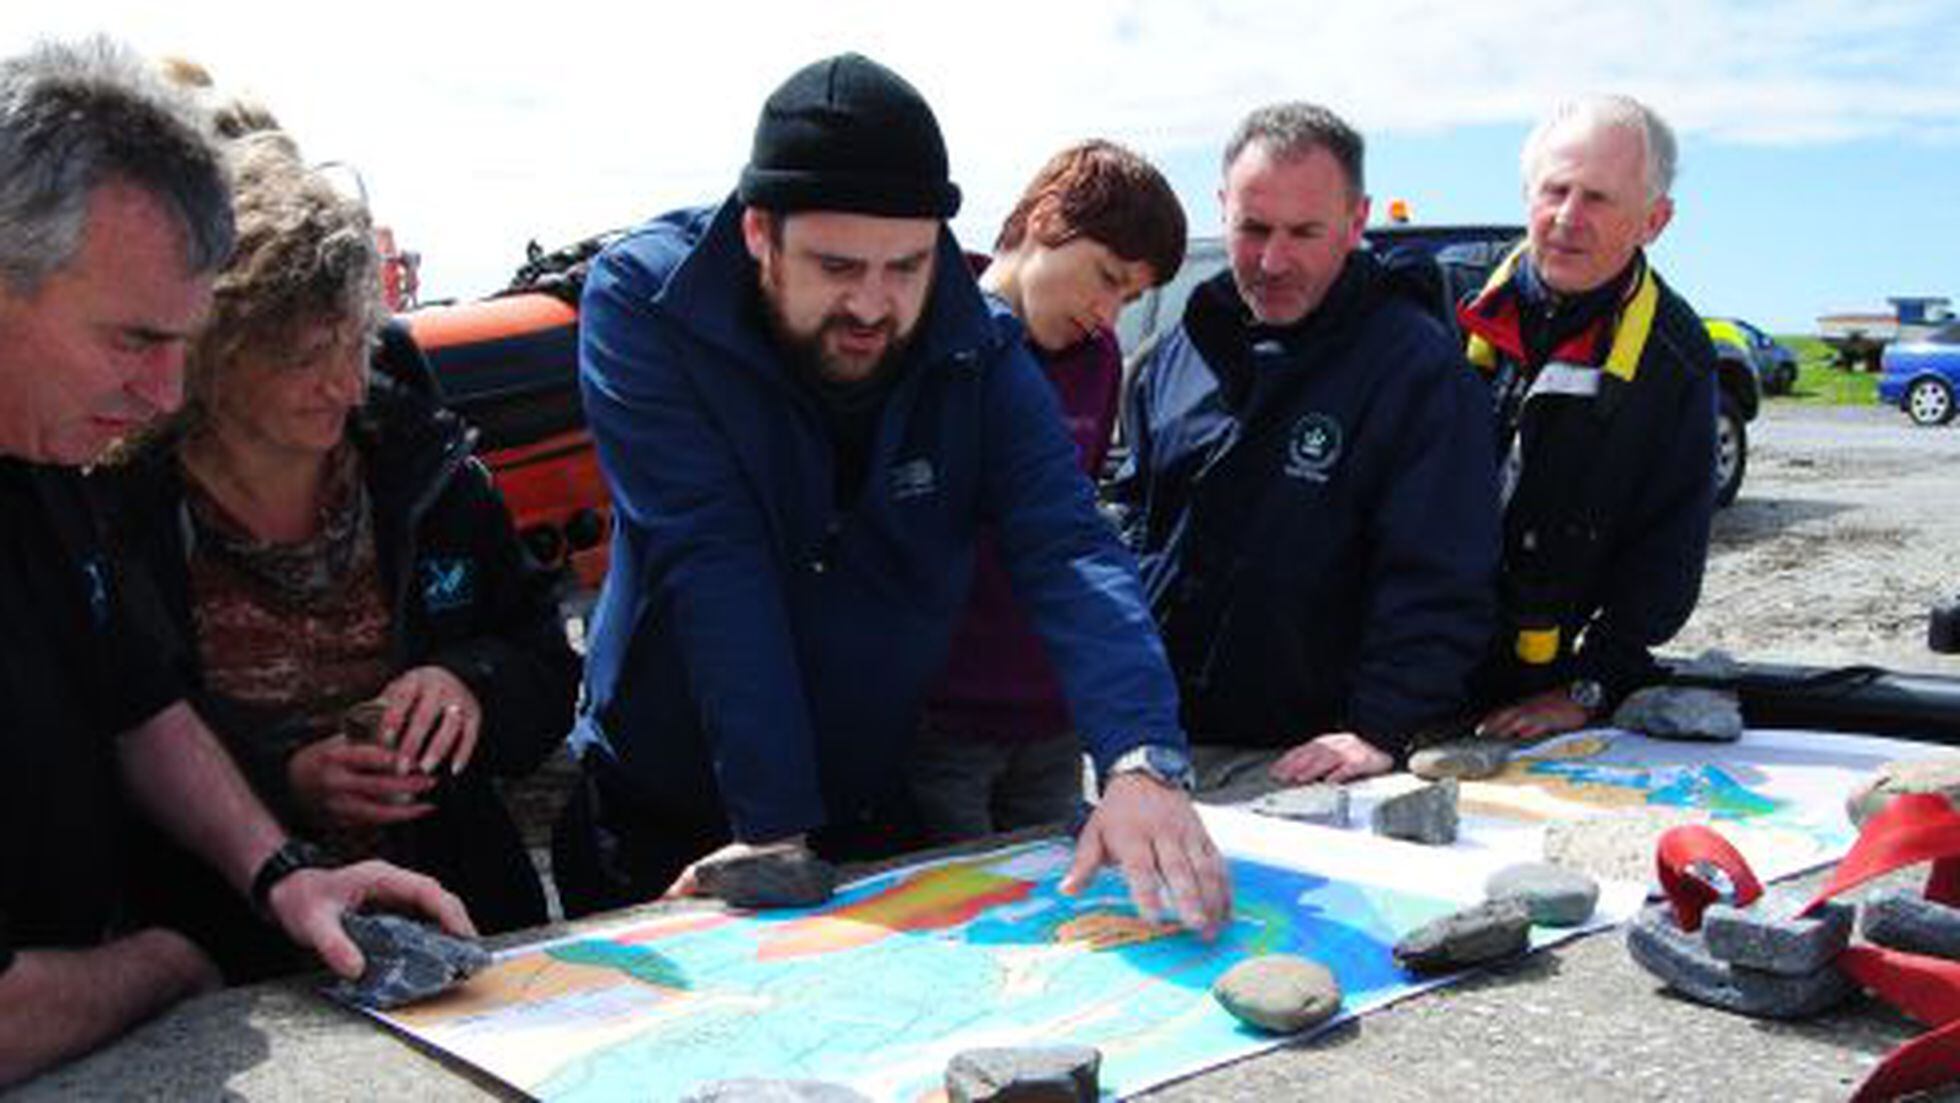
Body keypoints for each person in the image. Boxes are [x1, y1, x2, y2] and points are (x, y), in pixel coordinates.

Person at [555, 53, 1229, 935]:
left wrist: (1141, 759)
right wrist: (770, 828)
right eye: (837, 267)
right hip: (675, 785)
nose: (872, 306)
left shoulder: (976, 343)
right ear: (760, 234)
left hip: (864, 793)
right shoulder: (649, 305)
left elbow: (1065, 540)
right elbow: (712, 555)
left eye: (906, 267)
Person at [0, 38, 470, 1086]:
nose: (167, 396)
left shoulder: (46, 459)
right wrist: (167, 961)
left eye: (186, 344)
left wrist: (283, 877)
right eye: (132, 340)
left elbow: (141, 704)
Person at [103, 135, 578, 974]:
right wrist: (286, 782)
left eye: (354, 344)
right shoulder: (125, 515)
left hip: (460, 920)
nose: (348, 385)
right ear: (214, 352)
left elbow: (543, 660)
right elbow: (107, 744)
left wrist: (471, 682)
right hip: (238, 962)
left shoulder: (426, 472)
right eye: (304, 359)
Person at [1111, 102, 1500, 789]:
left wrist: (1383, 726)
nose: (1272, 259)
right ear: (1222, 207)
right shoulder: (1175, 353)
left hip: (1310, 765)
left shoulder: (1416, 371)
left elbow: (1442, 574)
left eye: (1304, 232)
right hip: (1156, 742)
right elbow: (1133, 533)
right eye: (1252, 228)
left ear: (1356, 222)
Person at [912, 140, 1186, 842]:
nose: (1108, 312)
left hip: (1054, 715)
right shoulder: (924, 332)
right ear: (1046, 218)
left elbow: (1073, 536)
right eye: (1105, 277)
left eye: (1130, 297)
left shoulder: (1099, 361)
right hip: (941, 716)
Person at [1465, 95, 1717, 741]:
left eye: (1599, 198)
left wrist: (1587, 688)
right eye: (1555, 190)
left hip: (1527, 691)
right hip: (1388, 670)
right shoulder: (1446, 302)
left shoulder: (1674, 359)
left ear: (1654, 220)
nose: (1568, 219)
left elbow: (1667, 557)